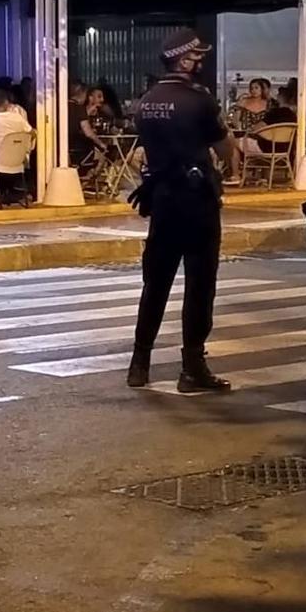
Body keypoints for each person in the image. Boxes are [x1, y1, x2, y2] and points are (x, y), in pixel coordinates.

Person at [125, 28, 231, 393]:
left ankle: (139, 364)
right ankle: (192, 368)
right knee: (199, 286)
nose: (200, 61)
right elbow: (225, 147)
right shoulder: (198, 99)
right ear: (184, 60)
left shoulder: (146, 100)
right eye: (197, 57)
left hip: (162, 201)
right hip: (196, 202)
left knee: (155, 283)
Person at [68, 81, 109, 166]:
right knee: (103, 153)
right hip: (80, 149)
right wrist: (101, 144)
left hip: (66, 147)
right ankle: (91, 176)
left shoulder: (61, 106)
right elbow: (88, 132)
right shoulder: (79, 108)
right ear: (82, 94)